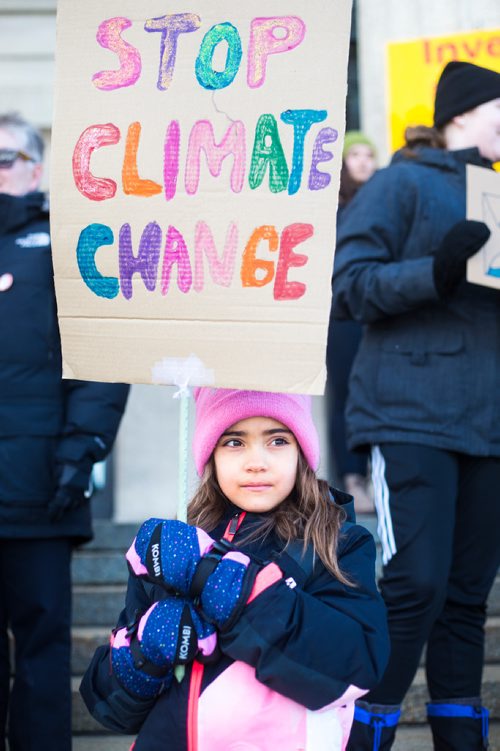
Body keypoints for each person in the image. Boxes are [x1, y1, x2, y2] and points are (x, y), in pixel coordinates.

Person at [332, 61, 500, 750]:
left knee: (466, 600)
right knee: (415, 587)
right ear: (460, 113)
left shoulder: (497, 190)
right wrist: (436, 270)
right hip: (409, 415)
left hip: (489, 426)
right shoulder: (400, 180)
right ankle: (363, 734)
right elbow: (349, 285)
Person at [81, 387, 389, 750]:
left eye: (277, 440)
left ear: (301, 452)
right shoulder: (175, 548)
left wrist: (228, 587)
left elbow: (355, 665)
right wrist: (144, 655)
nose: (256, 461)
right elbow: (112, 709)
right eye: (234, 442)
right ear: (210, 453)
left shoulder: (335, 544)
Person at [0, 112, 130, 751]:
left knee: (45, 650)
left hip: (40, 492)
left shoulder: (68, 243)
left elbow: (101, 354)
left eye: (4, 158)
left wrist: (83, 447)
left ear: (35, 166)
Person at [327, 131, 378, 514]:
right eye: (354, 154)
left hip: (376, 314)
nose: (362, 161)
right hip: (342, 316)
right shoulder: (332, 209)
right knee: (344, 396)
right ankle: (351, 479)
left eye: (368, 155)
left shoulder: (384, 204)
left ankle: (374, 476)